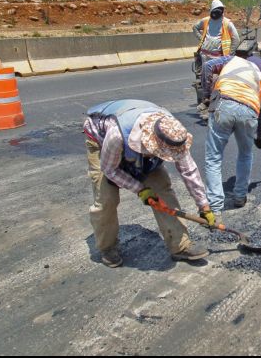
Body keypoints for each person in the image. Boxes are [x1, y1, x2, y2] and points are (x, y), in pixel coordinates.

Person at [83, 99, 214, 267]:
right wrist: (140, 189)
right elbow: (110, 170)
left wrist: (204, 206)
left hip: (138, 140)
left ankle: (180, 245)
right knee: (107, 199)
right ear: (152, 144)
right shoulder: (117, 135)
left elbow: (189, 171)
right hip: (102, 142)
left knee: (162, 190)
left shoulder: (173, 133)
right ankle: (107, 247)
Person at [201, 55, 261, 223]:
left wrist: (207, 95)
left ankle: (215, 207)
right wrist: (260, 138)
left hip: (224, 105)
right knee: (245, 155)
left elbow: (207, 66)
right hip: (249, 112)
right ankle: (239, 196)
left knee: (214, 157)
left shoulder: (233, 60)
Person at [194, 0, 240, 120]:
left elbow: (236, 39)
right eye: (215, 10)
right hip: (205, 55)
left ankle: (210, 104)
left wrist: (229, 55)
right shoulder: (206, 21)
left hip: (219, 57)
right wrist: (201, 39)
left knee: (216, 81)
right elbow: (195, 27)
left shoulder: (227, 23)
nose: (217, 12)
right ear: (211, 11)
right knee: (204, 79)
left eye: (219, 10)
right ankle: (206, 102)